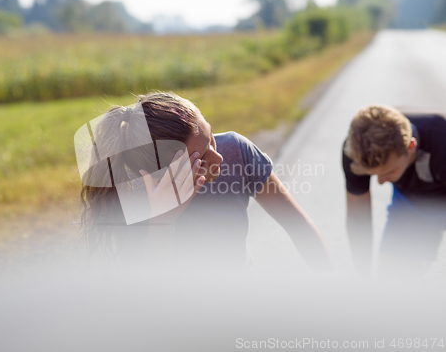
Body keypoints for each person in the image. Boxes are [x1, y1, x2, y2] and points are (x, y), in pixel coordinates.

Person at [77, 92, 331, 272]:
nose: (218, 156)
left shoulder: (236, 150)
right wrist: (163, 220)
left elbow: (300, 228)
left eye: (211, 138)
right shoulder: (132, 197)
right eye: (200, 157)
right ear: (161, 174)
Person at [343, 105, 446, 280]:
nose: (381, 182)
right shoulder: (355, 151)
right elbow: (358, 220)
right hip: (413, 204)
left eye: (390, 172)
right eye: (374, 174)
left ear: (411, 146)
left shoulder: (441, 142)